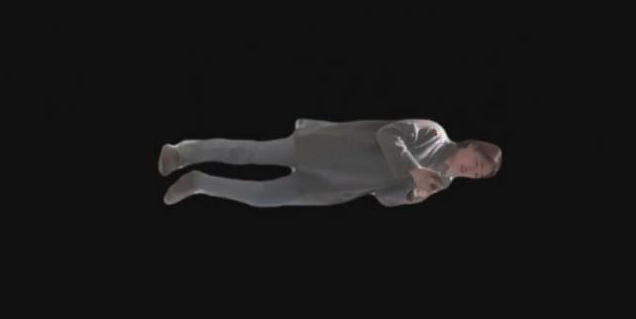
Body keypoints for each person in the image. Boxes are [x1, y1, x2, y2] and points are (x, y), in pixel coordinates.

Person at [158, 118, 502, 207]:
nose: (470, 172)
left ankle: (198, 183)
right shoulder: (433, 133)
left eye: (476, 175)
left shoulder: (442, 181)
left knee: (262, 198)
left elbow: (385, 196)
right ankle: (181, 154)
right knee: (248, 153)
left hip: (335, 186)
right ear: (470, 146)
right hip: (327, 150)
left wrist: (413, 195)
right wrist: (414, 170)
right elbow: (388, 134)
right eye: (476, 163)